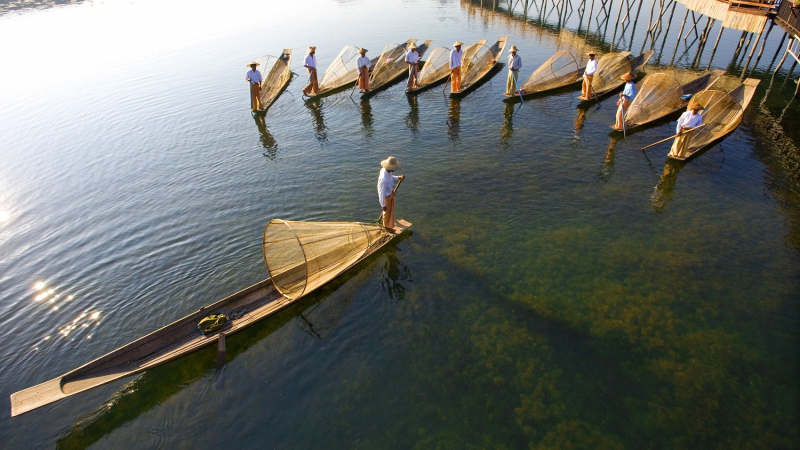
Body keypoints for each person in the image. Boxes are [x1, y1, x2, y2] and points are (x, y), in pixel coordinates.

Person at [377, 156, 404, 233]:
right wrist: (383, 205)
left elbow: (391, 177)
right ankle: (386, 228)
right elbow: (381, 193)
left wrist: (398, 178)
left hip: (390, 194)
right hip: (386, 197)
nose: (394, 169)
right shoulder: (383, 179)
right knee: (386, 212)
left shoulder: (388, 172)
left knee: (391, 209)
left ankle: (390, 224)